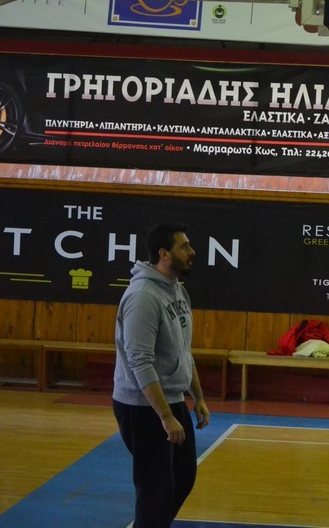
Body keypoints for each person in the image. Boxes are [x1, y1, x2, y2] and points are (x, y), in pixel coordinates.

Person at [113, 222, 211, 528]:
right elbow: (140, 361)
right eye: (184, 246)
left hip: (172, 399)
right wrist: (165, 417)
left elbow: (184, 350)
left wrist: (198, 397)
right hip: (143, 407)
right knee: (155, 489)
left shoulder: (178, 291)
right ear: (164, 253)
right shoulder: (143, 296)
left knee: (183, 476)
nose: (192, 252)